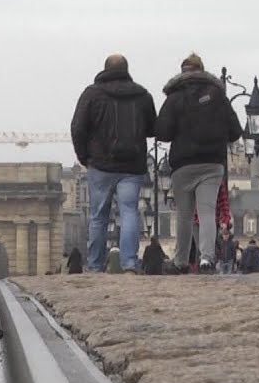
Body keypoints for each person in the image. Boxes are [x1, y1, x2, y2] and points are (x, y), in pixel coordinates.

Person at [154, 53, 243, 274]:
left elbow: (162, 133)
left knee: (184, 215)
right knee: (206, 212)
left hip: (183, 164)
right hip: (212, 162)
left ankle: (181, 261)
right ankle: (206, 260)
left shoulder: (173, 98)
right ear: (202, 70)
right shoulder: (218, 96)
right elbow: (235, 131)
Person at [71, 53, 156, 274]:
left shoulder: (92, 94)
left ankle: (95, 265)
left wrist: (84, 156)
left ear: (105, 69)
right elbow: (152, 128)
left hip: (100, 164)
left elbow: (78, 127)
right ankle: (129, 263)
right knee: (130, 212)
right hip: (132, 165)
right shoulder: (142, 95)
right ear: (127, 69)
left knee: (98, 216)